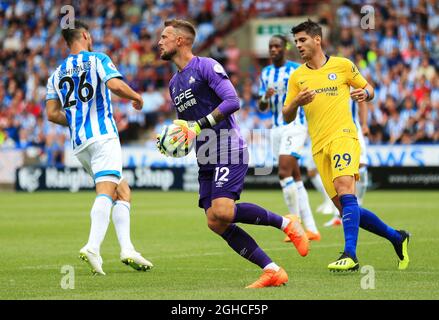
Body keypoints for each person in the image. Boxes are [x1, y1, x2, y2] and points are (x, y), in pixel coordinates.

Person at [157, 19, 309, 288]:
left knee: (223, 210)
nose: (159, 41)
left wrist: (198, 125)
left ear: (180, 41)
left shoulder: (205, 66)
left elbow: (232, 101)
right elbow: (187, 126)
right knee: (214, 221)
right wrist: (176, 142)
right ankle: (272, 270)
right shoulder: (174, 83)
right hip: (204, 155)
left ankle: (287, 222)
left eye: (165, 36)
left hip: (227, 145)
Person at [283, 19, 410, 272]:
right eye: (296, 41)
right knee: (347, 208)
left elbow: (369, 89)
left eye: (303, 40)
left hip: (343, 136)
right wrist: (296, 101)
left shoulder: (342, 66)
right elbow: (286, 115)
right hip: (318, 147)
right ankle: (398, 237)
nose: (298, 45)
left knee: (345, 189)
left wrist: (366, 94)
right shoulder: (297, 76)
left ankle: (350, 255)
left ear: (317, 39)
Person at [45, 20, 153, 275]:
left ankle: (127, 248)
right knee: (106, 191)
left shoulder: (56, 73)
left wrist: (73, 118)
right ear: (84, 35)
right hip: (103, 136)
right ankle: (93, 246)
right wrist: (136, 97)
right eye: (90, 36)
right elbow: (115, 85)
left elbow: (51, 114)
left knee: (122, 191)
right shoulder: (97, 59)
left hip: (80, 144)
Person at [258, 35, 320, 241]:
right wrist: (265, 97)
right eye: (270, 46)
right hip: (276, 128)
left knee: (283, 172)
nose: (273, 49)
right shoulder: (265, 73)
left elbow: (310, 96)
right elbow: (261, 106)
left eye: (277, 46)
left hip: (295, 124)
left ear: (285, 48)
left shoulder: (297, 69)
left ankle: (295, 226)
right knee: (295, 178)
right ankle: (312, 229)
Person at [323, 99, 370, 227]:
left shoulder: (350, 80)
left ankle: (357, 205)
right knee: (337, 173)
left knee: (361, 166)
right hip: (334, 133)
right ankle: (339, 214)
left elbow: (362, 101)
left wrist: (365, 123)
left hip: (354, 130)